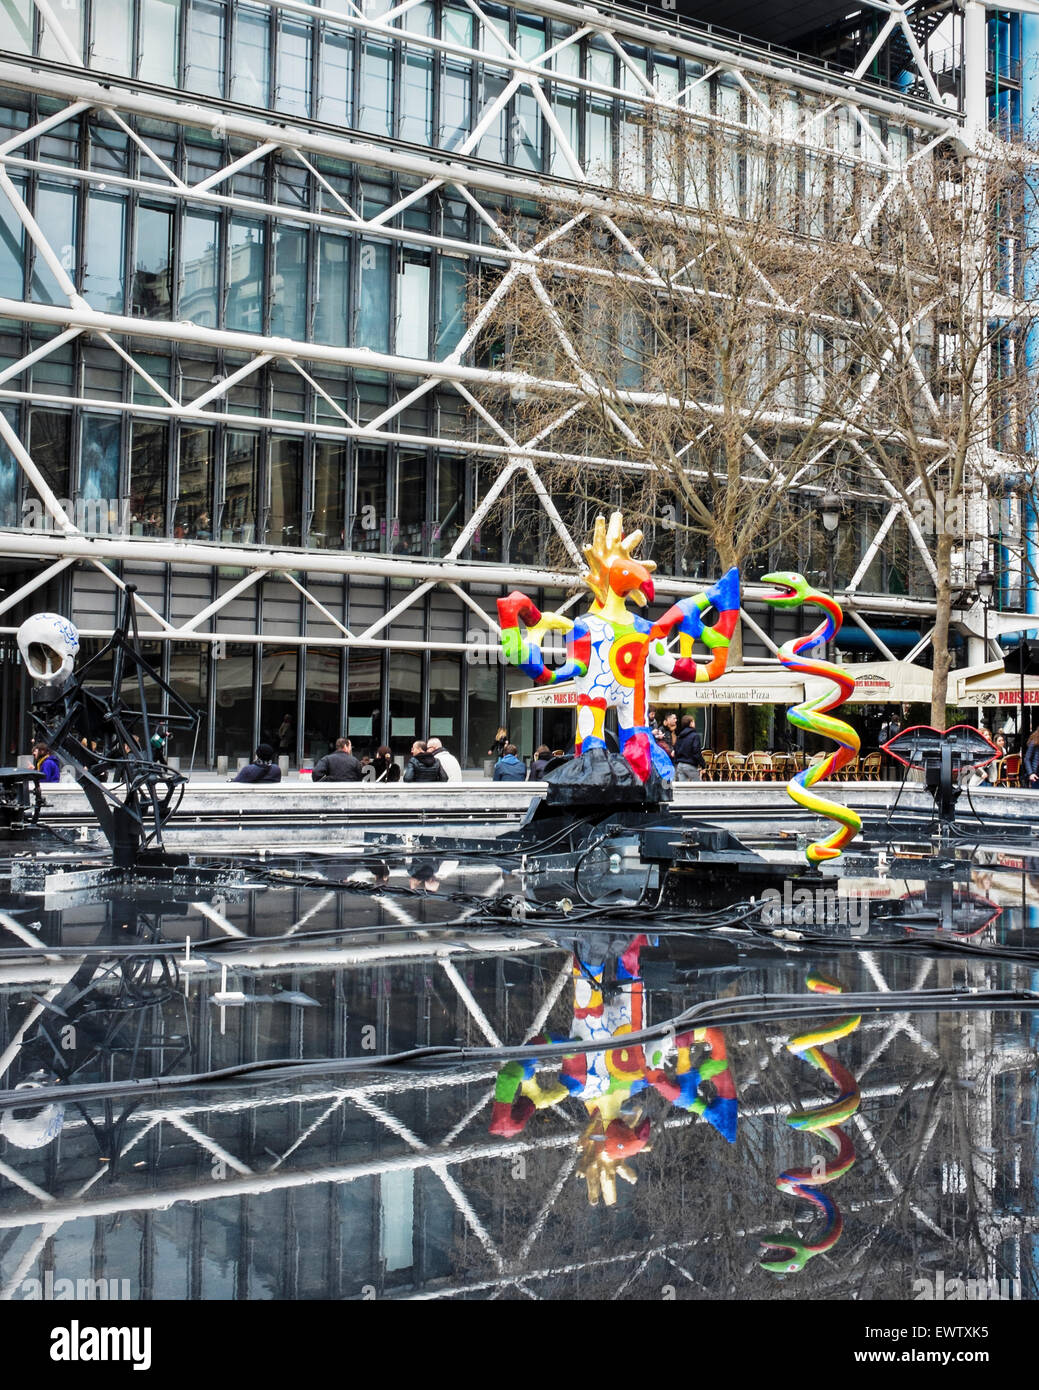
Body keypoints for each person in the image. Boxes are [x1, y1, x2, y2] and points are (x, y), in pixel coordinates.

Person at [673, 714, 705, 782]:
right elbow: (696, 752)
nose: (694, 723)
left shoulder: (680, 736)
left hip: (680, 765)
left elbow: (676, 750)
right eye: (693, 721)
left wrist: (676, 762)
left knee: (682, 788)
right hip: (690, 765)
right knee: (698, 786)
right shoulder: (695, 736)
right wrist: (703, 765)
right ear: (691, 723)